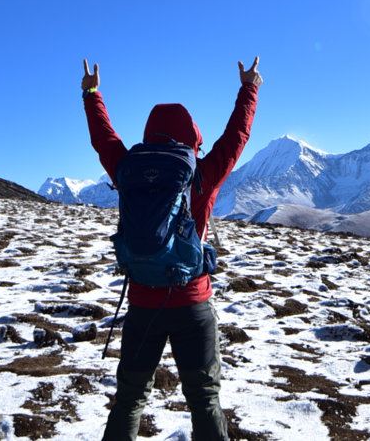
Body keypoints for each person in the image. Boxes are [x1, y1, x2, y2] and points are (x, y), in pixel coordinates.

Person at [81, 56, 262, 441]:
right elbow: (237, 137)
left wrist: (92, 93)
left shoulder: (126, 168)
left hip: (143, 303)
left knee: (130, 398)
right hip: (192, 302)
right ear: (192, 135)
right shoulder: (200, 174)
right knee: (203, 398)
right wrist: (250, 88)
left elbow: (104, 138)